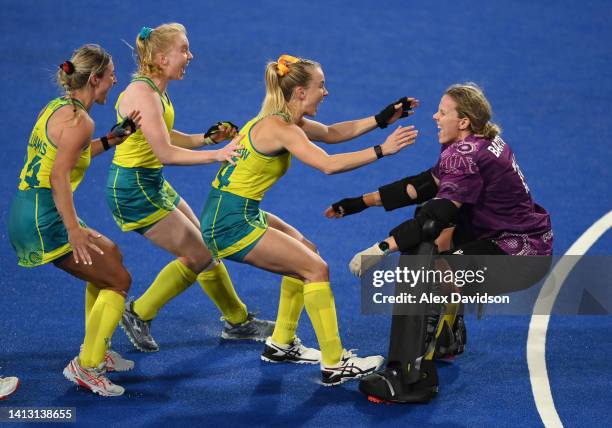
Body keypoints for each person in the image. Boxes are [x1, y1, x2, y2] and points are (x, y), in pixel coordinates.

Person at [200, 54, 419, 385]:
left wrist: (381, 118)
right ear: (300, 92)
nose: (326, 92)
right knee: (316, 269)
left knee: (307, 250)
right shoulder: (281, 128)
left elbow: (331, 133)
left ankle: (281, 343)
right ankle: (334, 363)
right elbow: (328, 164)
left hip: (233, 210)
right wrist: (381, 151)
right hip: (230, 221)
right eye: (321, 86)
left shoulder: (282, 119)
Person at [326, 82, 553, 401]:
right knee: (432, 238)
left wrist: (381, 248)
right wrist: (359, 202)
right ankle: (446, 337)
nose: (435, 116)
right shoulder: (476, 142)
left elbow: (434, 217)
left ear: (463, 121)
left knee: (427, 273)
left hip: (517, 255)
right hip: (511, 239)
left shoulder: (466, 153)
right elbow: (423, 186)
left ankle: (412, 379)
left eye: (442, 112)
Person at [106, 23, 273, 353]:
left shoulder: (155, 91)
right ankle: (138, 313)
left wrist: (205, 139)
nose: (190, 55)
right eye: (183, 50)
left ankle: (237, 321)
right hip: (133, 189)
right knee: (196, 253)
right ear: (161, 57)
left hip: (148, 181)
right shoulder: (141, 94)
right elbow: (164, 152)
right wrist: (217, 155)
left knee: (206, 246)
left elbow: (165, 135)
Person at [8, 44, 142, 396]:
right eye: (111, 75)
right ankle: (87, 365)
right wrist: (73, 231)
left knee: (111, 256)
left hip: (31, 208)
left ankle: (96, 348)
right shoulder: (81, 120)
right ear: (94, 79)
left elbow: (73, 152)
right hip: (44, 218)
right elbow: (58, 177)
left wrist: (112, 140)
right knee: (118, 280)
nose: (115, 80)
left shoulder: (58, 107)